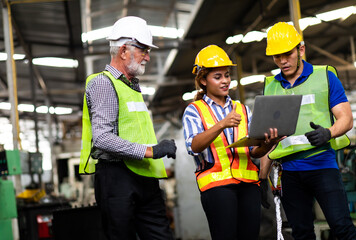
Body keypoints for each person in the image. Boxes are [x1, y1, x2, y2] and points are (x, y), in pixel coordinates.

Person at [79, 16, 177, 240]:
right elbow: (102, 138)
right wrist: (151, 150)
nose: (148, 57)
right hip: (116, 179)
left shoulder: (133, 87)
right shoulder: (103, 83)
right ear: (124, 50)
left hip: (144, 176)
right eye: (143, 50)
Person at [263, 22, 356, 240]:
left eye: (287, 54)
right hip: (289, 172)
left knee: (342, 228)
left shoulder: (324, 76)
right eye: (277, 57)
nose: (282, 61)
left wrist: (329, 132)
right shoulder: (270, 86)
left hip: (322, 165)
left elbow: (346, 119)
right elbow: (267, 140)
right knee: (302, 233)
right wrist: (262, 178)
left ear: (301, 49)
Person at [182, 44, 283, 240]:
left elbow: (254, 151)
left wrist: (269, 143)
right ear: (203, 80)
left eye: (227, 75)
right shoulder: (194, 110)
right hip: (217, 186)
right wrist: (221, 124)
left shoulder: (243, 110)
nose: (225, 81)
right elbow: (194, 146)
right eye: (217, 77)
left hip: (248, 185)